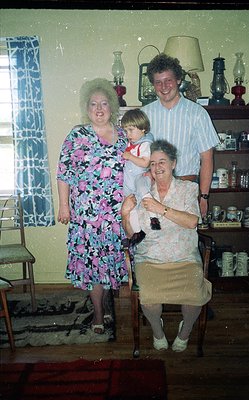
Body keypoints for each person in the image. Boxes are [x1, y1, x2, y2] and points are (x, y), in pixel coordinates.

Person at [121, 139, 212, 352]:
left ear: (173, 163)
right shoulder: (143, 191)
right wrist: (125, 214)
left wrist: (159, 208)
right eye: (152, 163)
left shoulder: (188, 188)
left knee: (195, 295)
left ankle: (185, 330)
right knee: (149, 296)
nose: (157, 167)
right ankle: (157, 330)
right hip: (151, 257)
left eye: (162, 162)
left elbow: (192, 222)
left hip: (184, 256)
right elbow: (133, 233)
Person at [57, 78, 128, 335]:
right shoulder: (77, 135)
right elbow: (64, 173)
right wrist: (64, 206)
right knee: (94, 268)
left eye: (104, 103)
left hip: (117, 216)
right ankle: (98, 312)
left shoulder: (124, 136)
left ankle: (107, 303)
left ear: (113, 106)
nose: (99, 109)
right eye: (93, 104)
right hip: (87, 217)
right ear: (86, 108)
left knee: (111, 265)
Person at [142, 53, 219, 217]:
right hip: (153, 191)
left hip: (186, 189)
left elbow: (207, 158)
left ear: (178, 79)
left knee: (184, 241)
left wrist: (204, 197)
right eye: (158, 82)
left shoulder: (197, 113)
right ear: (153, 85)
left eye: (168, 80)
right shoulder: (144, 115)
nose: (164, 87)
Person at [121, 109, 160, 236]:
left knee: (144, 193)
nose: (128, 134)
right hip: (129, 179)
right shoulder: (132, 143)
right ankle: (137, 232)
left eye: (131, 130)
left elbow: (145, 163)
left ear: (143, 128)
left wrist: (130, 157)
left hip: (140, 176)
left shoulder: (145, 144)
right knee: (130, 205)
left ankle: (153, 217)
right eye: (126, 131)